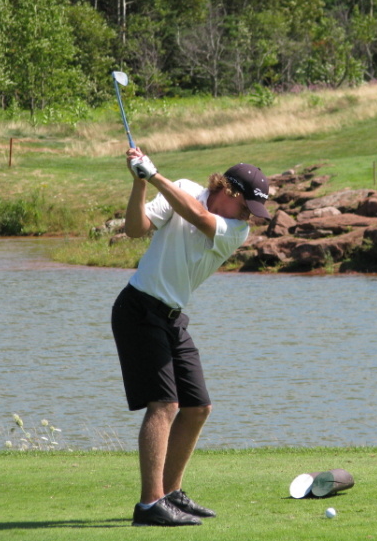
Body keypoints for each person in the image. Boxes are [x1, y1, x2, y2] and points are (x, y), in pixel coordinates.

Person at [111, 147, 272, 527]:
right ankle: (150, 504)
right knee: (164, 405)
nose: (248, 216)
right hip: (139, 308)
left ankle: (170, 493)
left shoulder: (236, 230)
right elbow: (135, 229)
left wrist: (154, 176)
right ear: (228, 191)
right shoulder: (182, 188)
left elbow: (197, 216)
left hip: (172, 317)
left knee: (197, 407)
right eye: (246, 206)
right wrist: (140, 183)